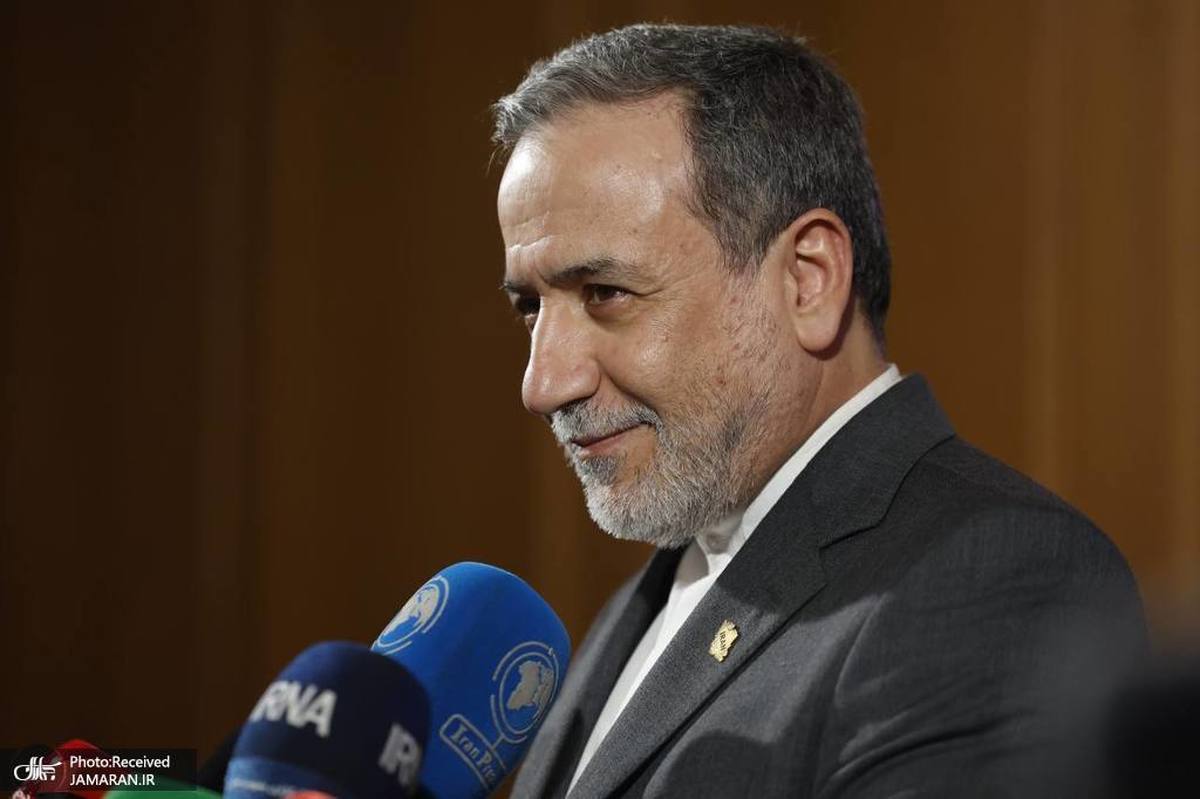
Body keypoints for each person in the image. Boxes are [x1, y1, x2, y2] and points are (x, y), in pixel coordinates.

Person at [491, 24, 1145, 798]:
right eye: (531, 307)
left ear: (808, 279)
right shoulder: (638, 605)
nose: (543, 383)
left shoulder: (999, 576)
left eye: (605, 293)